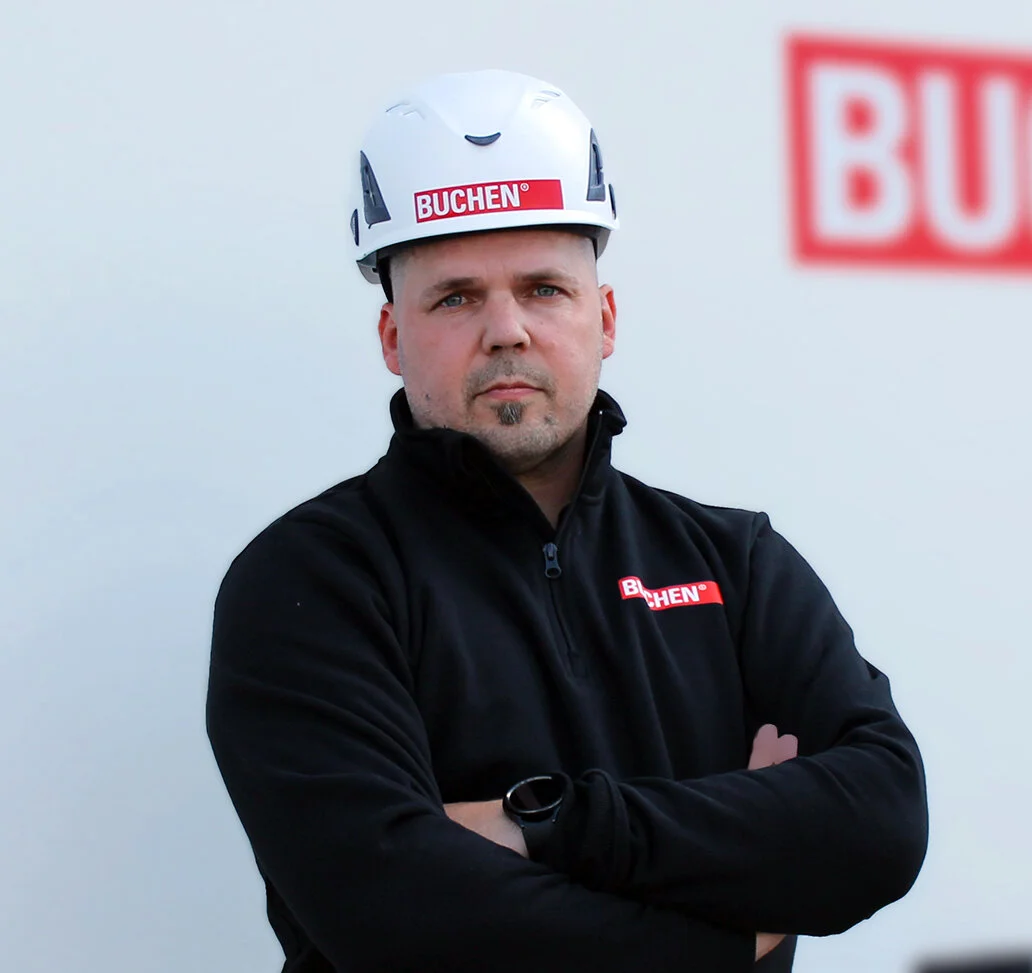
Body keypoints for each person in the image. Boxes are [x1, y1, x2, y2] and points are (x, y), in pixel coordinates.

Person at [205, 68, 928, 973]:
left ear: (605, 317)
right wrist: (727, 928)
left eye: (544, 287)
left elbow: (882, 821)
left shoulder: (736, 563)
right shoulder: (312, 581)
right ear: (391, 336)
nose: (506, 329)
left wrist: (542, 823)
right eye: (455, 296)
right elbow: (393, 912)